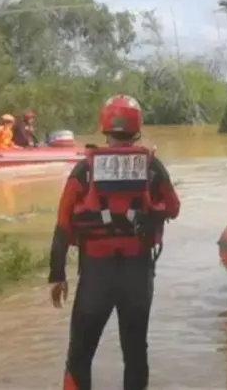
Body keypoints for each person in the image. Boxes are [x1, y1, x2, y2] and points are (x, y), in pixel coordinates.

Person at [49, 95, 181, 390]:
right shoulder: (152, 167)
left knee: (80, 355)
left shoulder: (85, 170)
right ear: (138, 128)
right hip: (137, 274)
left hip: (96, 274)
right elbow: (173, 207)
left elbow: (62, 223)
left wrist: (57, 275)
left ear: (104, 128)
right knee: (135, 354)